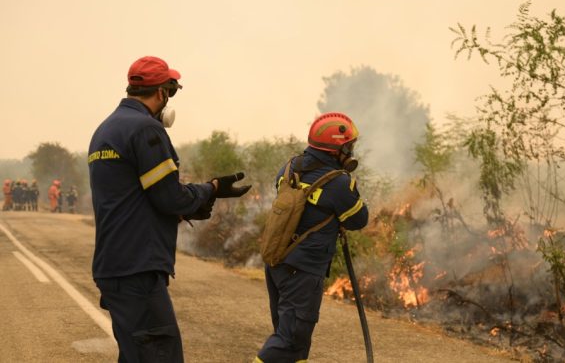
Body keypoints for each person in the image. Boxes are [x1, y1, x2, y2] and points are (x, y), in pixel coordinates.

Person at [88, 55, 251, 363]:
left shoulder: (105, 130)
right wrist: (211, 189)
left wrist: (186, 210)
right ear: (163, 93)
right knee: (161, 355)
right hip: (138, 266)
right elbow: (169, 197)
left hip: (114, 264)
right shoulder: (146, 130)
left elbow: (133, 197)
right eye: (170, 91)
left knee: (137, 354)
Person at [255, 112, 369, 363]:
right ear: (336, 149)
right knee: (289, 342)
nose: (351, 152)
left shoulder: (288, 168)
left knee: (295, 344)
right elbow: (359, 220)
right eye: (349, 146)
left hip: (277, 263)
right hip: (303, 271)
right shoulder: (339, 184)